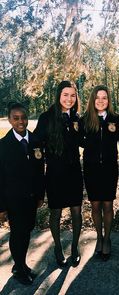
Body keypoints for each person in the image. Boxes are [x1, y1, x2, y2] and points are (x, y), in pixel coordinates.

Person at [34, 81, 83, 268]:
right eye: (65, 95)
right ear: (58, 95)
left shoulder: (77, 118)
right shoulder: (46, 117)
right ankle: (57, 247)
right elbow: (36, 142)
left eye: (72, 95)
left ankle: (75, 247)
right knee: (56, 213)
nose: (69, 99)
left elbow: (83, 140)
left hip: (74, 173)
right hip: (54, 174)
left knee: (76, 211)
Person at [0, 102, 45, 285]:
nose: (21, 121)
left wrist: (40, 195)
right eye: (16, 118)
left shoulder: (35, 140)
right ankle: (19, 268)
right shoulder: (3, 145)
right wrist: (1, 207)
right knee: (18, 233)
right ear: (9, 120)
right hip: (13, 199)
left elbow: (40, 170)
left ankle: (22, 264)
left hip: (32, 198)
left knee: (26, 231)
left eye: (24, 117)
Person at [80, 85, 119, 261]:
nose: (101, 101)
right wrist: (91, 150)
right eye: (98, 98)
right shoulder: (85, 120)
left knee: (107, 205)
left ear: (108, 100)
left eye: (104, 97)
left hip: (110, 168)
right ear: (92, 100)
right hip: (91, 168)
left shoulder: (115, 119)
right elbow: (78, 140)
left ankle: (107, 239)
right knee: (95, 205)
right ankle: (99, 237)